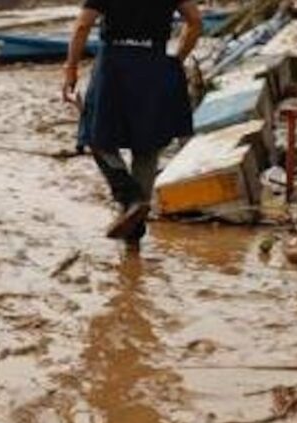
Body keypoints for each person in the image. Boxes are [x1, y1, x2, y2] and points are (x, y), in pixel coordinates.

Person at [63, 0, 202, 245]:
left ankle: (130, 197)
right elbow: (195, 20)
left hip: (113, 65)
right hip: (154, 62)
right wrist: (178, 57)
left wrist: (71, 70)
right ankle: (134, 235)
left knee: (96, 137)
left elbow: (83, 25)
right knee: (147, 146)